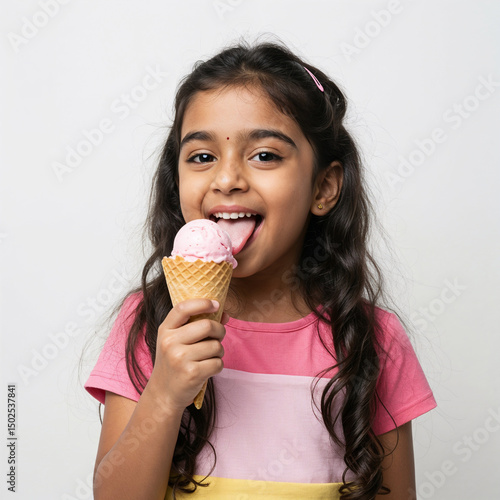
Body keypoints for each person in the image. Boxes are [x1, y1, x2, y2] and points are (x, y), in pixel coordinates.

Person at [84, 39, 436, 500]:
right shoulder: (150, 324)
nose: (227, 179)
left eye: (265, 155)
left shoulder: (371, 338)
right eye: (202, 157)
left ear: (324, 188)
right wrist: (166, 393)